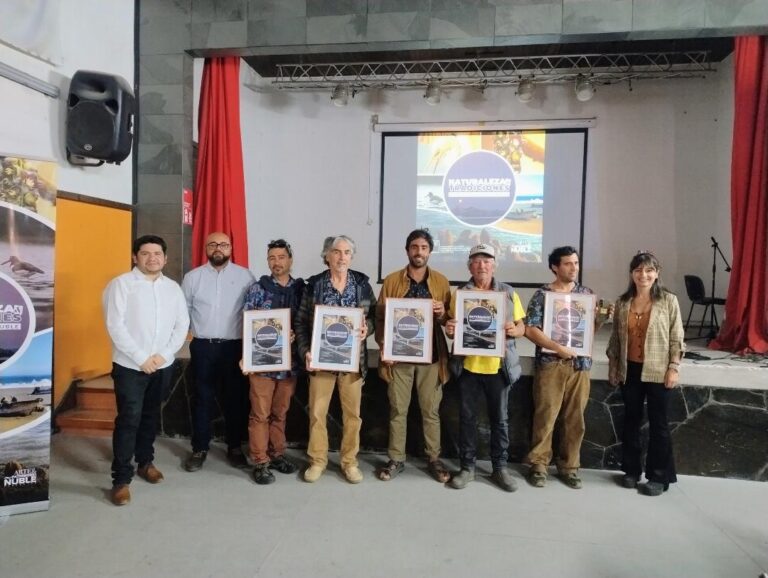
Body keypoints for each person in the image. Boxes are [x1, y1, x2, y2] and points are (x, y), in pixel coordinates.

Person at [103, 235, 189, 506]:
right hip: (130, 366)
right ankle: (121, 479)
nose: (152, 258)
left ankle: (145, 462)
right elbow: (115, 325)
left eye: (157, 254)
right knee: (129, 419)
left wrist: (163, 356)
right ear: (134, 257)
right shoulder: (121, 285)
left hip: (162, 365)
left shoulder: (173, 288)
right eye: (145, 253)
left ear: (164, 258)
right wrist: (142, 358)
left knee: (151, 417)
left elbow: (181, 325)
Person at [524, 246, 612, 489]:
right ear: (555, 266)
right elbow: (530, 329)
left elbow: (586, 334)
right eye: (567, 264)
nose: (574, 268)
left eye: (576, 263)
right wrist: (556, 347)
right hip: (551, 364)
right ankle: (539, 465)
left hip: (579, 365)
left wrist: (601, 321)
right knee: (546, 416)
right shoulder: (543, 295)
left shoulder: (586, 295)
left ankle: (570, 467)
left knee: (575, 419)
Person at [294, 235, 376, 484]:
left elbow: (375, 318)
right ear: (327, 255)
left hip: (352, 363)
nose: (342, 257)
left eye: (347, 252)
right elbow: (300, 322)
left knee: (353, 416)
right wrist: (306, 350)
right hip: (321, 361)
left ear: (352, 256)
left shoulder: (362, 285)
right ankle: (317, 461)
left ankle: (349, 462)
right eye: (337, 252)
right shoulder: (314, 285)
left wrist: (367, 329)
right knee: (318, 414)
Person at [445, 243, 526, 492]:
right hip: (469, 367)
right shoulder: (460, 295)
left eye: (487, 261)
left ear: (495, 265)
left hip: (499, 369)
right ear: (470, 266)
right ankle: (467, 467)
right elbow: (453, 327)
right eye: (477, 261)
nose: (482, 265)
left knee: (499, 421)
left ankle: (499, 468)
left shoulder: (509, 293)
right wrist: (450, 330)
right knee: (467, 419)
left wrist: (516, 330)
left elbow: (523, 327)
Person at [374, 229, 452, 483]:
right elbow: (380, 317)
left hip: (431, 358)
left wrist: (441, 313)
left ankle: (434, 459)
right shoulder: (393, 280)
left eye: (424, 248)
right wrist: (384, 346)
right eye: (414, 247)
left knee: (431, 411)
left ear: (430, 251)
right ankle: (396, 458)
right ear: (407, 250)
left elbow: (450, 321)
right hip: (399, 358)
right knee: (398, 410)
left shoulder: (440, 281)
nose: (419, 252)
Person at [606, 251, 684, 496]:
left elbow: (677, 338)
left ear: (657, 273)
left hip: (659, 370)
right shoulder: (623, 302)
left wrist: (673, 367)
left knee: (659, 425)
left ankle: (659, 477)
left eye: (649, 270)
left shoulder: (668, 301)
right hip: (630, 369)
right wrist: (613, 367)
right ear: (632, 274)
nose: (644, 275)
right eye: (639, 270)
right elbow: (616, 341)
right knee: (630, 421)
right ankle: (630, 471)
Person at [181, 232, 255, 472]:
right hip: (203, 346)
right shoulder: (193, 278)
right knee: (202, 400)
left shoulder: (245, 277)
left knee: (235, 399)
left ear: (231, 248)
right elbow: (183, 312)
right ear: (206, 248)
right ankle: (199, 448)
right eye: (212, 244)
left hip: (234, 347)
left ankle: (235, 447)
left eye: (223, 244)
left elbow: (254, 312)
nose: (218, 248)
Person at [241, 239, 305, 485]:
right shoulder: (257, 289)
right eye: (271, 258)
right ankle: (260, 461)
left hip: (290, 364)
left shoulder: (302, 290)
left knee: (280, 413)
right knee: (260, 414)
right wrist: (246, 356)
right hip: (262, 364)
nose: (276, 262)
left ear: (290, 259)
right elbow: (248, 325)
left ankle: (277, 454)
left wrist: (295, 335)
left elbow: (309, 322)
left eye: (281, 257)